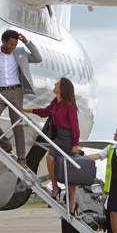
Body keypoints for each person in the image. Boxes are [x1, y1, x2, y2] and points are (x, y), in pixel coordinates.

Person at [0, 29, 42, 168]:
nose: (13, 47)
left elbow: (38, 58)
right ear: (3, 41)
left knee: (17, 125)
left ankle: (22, 159)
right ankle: (5, 143)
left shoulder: (20, 52)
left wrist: (27, 42)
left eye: (15, 44)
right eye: (11, 44)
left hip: (16, 91)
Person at [30, 77, 80, 213]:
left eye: (57, 84)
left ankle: (71, 200)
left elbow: (75, 126)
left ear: (62, 88)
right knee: (50, 158)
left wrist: (75, 144)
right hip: (58, 137)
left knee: (70, 170)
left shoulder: (69, 105)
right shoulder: (55, 102)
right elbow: (45, 112)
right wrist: (28, 110)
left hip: (68, 138)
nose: (54, 84)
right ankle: (55, 186)